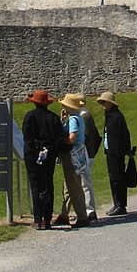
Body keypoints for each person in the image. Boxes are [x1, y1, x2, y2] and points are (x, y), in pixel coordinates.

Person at [21, 89, 65, 230]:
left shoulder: (30, 117)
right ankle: (47, 218)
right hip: (49, 154)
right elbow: (59, 138)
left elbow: (27, 137)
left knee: (36, 186)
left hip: (33, 155)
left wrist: (36, 148)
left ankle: (38, 219)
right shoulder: (54, 118)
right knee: (48, 184)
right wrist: (51, 150)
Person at [55, 93, 100, 222]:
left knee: (74, 182)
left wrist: (62, 141)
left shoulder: (74, 119)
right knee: (72, 183)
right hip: (80, 152)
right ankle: (65, 213)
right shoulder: (78, 117)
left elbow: (72, 137)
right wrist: (63, 120)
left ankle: (82, 214)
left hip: (73, 153)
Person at [98, 90, 132, 215]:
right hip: (110, 151)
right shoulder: (109, 115)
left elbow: (124, 134)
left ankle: (121, 205)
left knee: (118, 179)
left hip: (116, 152)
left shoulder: (116, 116)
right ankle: (116, 203)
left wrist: (125, 150)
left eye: (105, 102)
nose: (103, 105)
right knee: (113, 178)